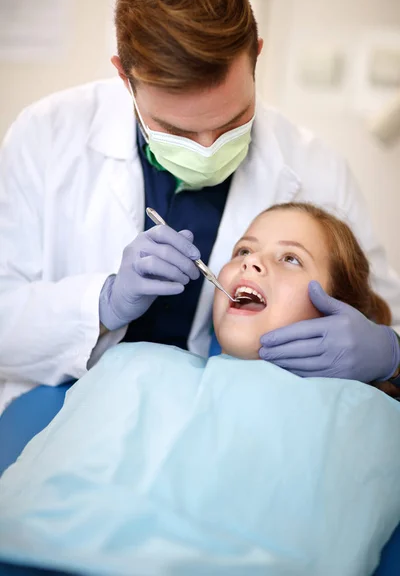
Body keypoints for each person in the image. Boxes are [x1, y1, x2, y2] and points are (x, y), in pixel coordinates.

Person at [1, 0, 400, 417]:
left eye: (233, 121)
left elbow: (382, 311)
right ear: (124, 76)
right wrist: (102, 303)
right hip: (61, 416)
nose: (210, 146)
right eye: (178, 132)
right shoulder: (46, 136)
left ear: (256, 57)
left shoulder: (318, 171)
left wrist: (391, 352)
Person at [0, 203, 399, 576]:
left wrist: (394, 356)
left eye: (290, 258)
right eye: (243, 249)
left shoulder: (373, 419)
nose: (251, 261)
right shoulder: (135, 364)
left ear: (340, 309)